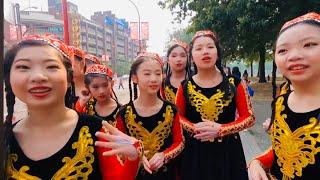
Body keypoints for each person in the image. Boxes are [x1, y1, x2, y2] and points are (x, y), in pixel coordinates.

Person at [3, 34, 142, 179]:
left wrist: (133, 157)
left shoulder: (95, 129)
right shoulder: (6, 138)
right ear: (9, 77)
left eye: (51, 66)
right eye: (23, 67)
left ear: (69, 78)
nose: (38, 76)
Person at [248, 12, 320, 180]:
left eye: (309, 44)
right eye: (283, 50)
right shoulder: (281, 101)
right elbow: (281, 150)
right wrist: (256, 162)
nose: (293, 56)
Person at [176, 30, 255, 180]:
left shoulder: (234, 83)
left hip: (228, 151)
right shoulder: (185, 86)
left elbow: (249, 117)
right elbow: (177, 116)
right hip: (195, 152)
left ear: (217, 53)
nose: (205, 51)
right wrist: (194, 128)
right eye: (198, 48)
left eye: (210, 47)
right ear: (191, 57)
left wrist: (221, 129)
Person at [116, 52, 184, 180]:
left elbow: (179, 142)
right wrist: (135, 158)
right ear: (135, 78)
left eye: (158, 74)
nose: (153, 79)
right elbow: (118, 149)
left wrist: (164, 155)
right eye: (147, 74)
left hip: (166, 175)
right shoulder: (124, 113)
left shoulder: (171, 110)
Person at [161, 39, 190, 104]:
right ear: (168, 60)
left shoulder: (194, 79)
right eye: (174, 56)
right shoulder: (163, 82)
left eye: (182, 56)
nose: (178, 59)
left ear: (187, 59)